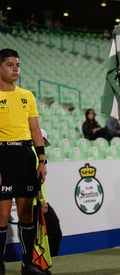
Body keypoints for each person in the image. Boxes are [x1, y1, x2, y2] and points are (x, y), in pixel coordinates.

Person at [0, 48, 49, 274]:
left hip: (25, 156)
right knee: (1, 215)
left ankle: (27, 264)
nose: (16, 69)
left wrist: (41, 159)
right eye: (10, 64)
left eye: (18, 65)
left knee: (26, 213)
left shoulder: (27, 95)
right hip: (2, 156)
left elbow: (35, 128)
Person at [38, 129, 62, 257]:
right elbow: (34, 180)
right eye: (44, 142)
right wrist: (41, 200)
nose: (45, 146)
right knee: (54, 232)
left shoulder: (36, 157)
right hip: (38, 202)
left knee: (47, 233)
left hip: (39, 200)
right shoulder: (35, 157)